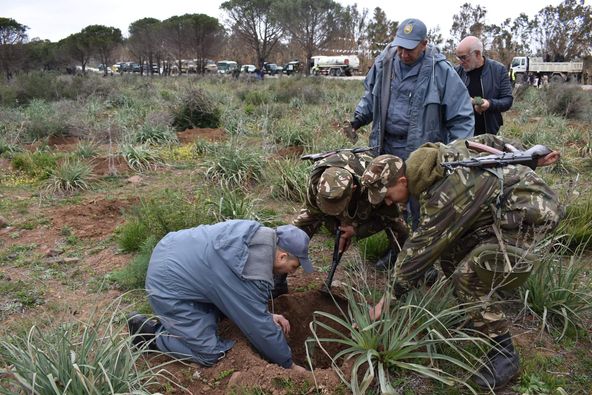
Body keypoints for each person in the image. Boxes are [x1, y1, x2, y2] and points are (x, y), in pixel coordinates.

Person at [360, 135, 563, 390]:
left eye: (387, 196)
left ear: (402, 181)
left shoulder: (445, 193)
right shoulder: (435, 160)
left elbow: (419, 252)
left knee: (468, 277)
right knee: (451, 254)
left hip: (530, 214)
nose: (389, 202)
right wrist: (523, 154)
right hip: (501, 209)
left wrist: (385, 302)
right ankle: (477, 313)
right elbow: (488, 140)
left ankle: (504, 353)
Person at [343, 18, 474, 234]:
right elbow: (370, 96)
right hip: (385, 146)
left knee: (419, 204)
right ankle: (395, 249)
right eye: (400, 47)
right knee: (388, 202)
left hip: (421, 152)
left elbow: (461, 116)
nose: (403, 54)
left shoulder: (439, 70)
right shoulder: (384, 63)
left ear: (424, 44)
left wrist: (453, 154)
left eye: (410, 49)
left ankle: (418, 257)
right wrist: (358, 119)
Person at [128, 220, 313, 372]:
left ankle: (184, 325)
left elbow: (236, 293)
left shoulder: (255, 235)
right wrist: (289, 364)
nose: (293, 272)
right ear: (282, 257)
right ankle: (150, 336)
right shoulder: (247, 272)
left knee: (221, 310)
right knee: (209, 354)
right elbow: (259, 328)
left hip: (172, 249)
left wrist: (267, 316)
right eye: (295, 266)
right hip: (167, 284)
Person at [273, 150, 409, 295]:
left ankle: (409, 271)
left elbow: (388, 216)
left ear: (353, 189)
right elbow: (314, 212)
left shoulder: (371, 183)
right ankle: (278, 278)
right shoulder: (316, 183)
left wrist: (355, 229)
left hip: (365, 200)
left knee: (399, 227)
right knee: (296, 232)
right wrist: (339, 226)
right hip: (333, 201)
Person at [455, 36, 514, 136]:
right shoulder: (456, 72)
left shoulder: (498, 70)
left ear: (477, 54)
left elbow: (507, 100)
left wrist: (489, 104)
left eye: (464, 57)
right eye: (458, 57)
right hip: (462, 133)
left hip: (488, 132)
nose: (460, 62)